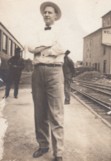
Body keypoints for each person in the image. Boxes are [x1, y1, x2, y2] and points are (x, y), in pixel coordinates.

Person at [28, 2, 67, 161]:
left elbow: (61, 48)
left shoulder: (62, 31)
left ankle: (58, 153)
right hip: (37, 72)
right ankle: (43, 145)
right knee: (40, 112)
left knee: (56, 113)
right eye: (45, 12)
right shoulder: (36, 31)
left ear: (56, 15)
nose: (47, 15)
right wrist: (48, 47)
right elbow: (29, 46)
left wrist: (41, 50)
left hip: (54, 72)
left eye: (50, 12)